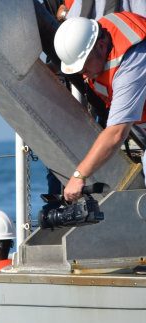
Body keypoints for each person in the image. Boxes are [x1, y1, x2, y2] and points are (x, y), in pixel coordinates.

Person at [55, 13, 146, 202]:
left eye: (83, 65)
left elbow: (116, 133)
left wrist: (79, 176)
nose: (81, 73)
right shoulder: (96, 36)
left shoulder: (133, 59)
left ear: (101, 46)